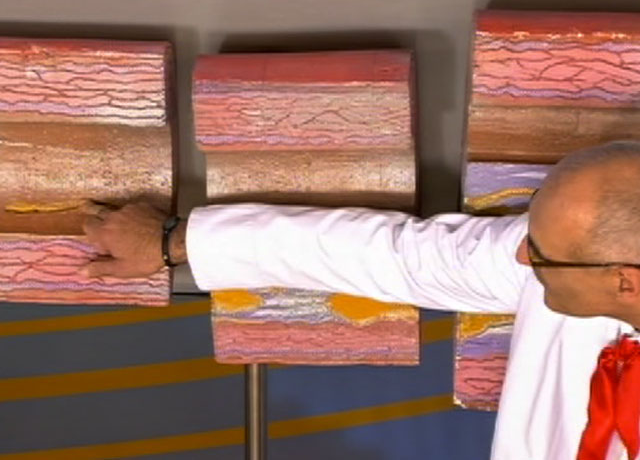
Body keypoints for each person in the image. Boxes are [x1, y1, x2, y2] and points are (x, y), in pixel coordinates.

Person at [81, 140, 640, 460]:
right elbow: (400, 257)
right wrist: (177, 241)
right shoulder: (573, 258)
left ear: (625, 282)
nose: (521, 256)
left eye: (539, 254)